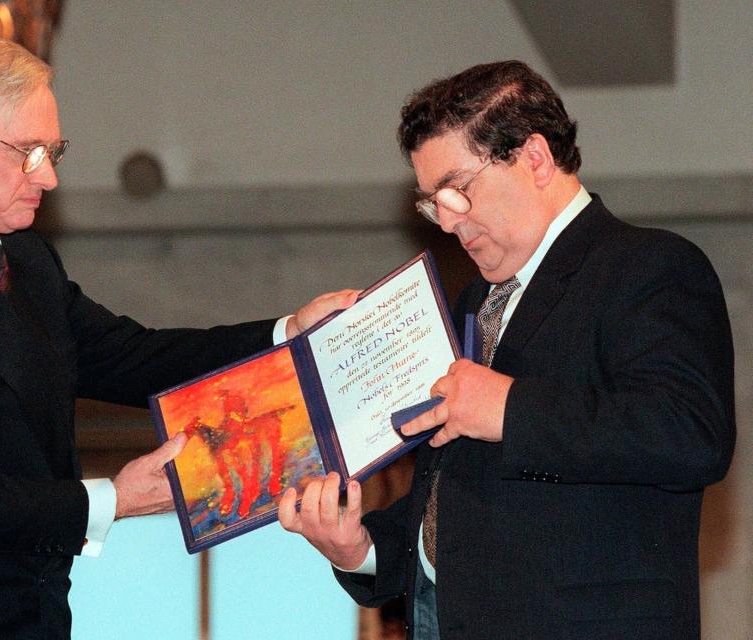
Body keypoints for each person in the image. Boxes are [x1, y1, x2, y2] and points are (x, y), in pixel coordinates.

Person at [0, 34, 355, 640]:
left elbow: (132, 356)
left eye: (53, 151)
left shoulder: (24, 259)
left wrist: (289, 334)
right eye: (26, 152)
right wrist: (113, 500)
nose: (46, 178)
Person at [279, 60, 735, 639]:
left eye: (457, 190)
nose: (446, 221)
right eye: (431, 202)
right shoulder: (472, 302)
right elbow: (457, 495)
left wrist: (508, 408)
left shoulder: (649, 267)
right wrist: (362, 548)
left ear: (535, 158)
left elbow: (692, 434)